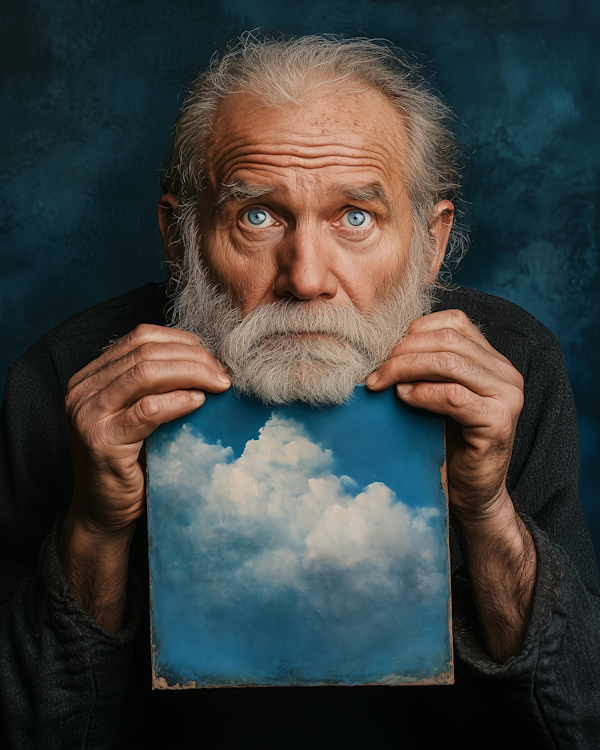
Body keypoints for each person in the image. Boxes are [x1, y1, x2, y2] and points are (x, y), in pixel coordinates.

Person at [1, 35, 598, 750]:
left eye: (355, 216)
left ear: (431, 241)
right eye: (258, 216)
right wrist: (96, 526)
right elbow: (32, 728)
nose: (307, 277)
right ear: (180, 236)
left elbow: (578, 719)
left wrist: (486, 509)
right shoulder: (67, 379)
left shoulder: (511, 364)